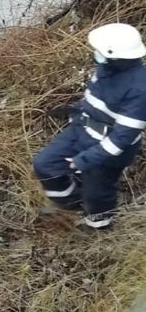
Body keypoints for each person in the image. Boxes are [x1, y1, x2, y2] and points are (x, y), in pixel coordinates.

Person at [33, 22, 146, 230]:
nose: (96, 54)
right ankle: (73, 204)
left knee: (97, 193)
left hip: (107, 151)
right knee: (45, 164)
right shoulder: (107, 69)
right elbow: (94, 99)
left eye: (100, 52)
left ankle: (98, 225)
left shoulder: (140, 88)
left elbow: (123, 137)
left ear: (115, 55)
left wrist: (86, 159)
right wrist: (74, 111)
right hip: (79, 131)